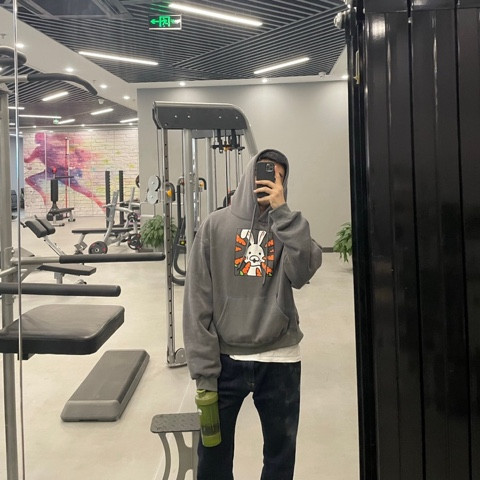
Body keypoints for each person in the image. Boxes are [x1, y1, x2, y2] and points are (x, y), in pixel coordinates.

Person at [183, 148, 323, 480]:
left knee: (279, 462)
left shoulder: (289, 229)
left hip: (280, 358)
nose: (270, 181)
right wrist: (204, 373)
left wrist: (283, 213)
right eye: (265, 173)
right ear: (249, 175)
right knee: (212, 463)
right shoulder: (215, 225)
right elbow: (197, 301)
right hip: (224, 362)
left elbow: (302, 273)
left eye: (279, 177)